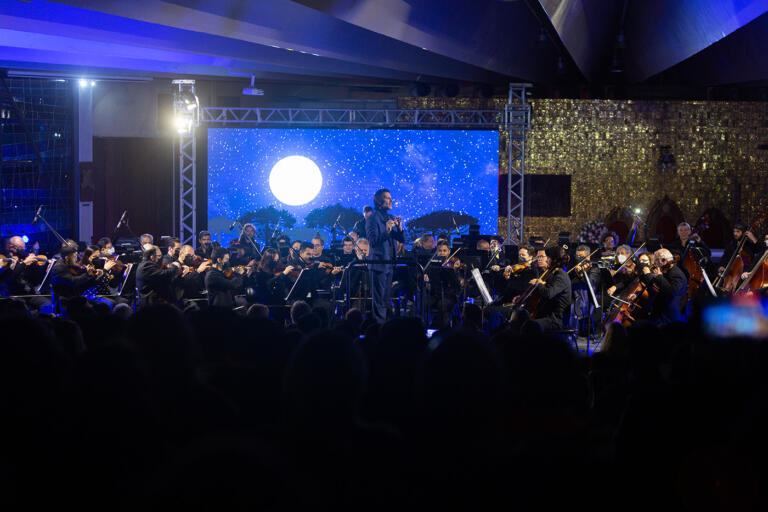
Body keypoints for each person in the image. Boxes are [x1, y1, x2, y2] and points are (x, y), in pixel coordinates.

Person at [366, 189, 405, 324]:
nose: (391, 200)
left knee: (386, 300)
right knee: (379, 301)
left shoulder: (390, 217)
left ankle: (386, 327)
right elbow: (373, 241)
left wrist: (399, 228)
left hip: (389, 264)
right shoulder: (372, 218)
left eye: (391, 197)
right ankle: (379, 329)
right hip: (378, 264)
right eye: (387, 198)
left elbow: (401, 239)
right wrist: (387, 231)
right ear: (379, 201)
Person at [521, 245, 572, 332]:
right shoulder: (553, 274)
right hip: (546, 314)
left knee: (529, 326)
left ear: (554, 260)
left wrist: (539, 283)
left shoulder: (561, 276)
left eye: (548, 257)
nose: (547, 260)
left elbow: (548, 294)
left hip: (556, 319)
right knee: (520, 319)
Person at [51, 240, 105, 314]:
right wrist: (87, 274)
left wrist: (96, 277)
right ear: (67, 258)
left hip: (76, 299)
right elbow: (74, 282)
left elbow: (82, 286)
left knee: (101, 306)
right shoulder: (59, 268)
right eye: (74, 256)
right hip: (65, 302)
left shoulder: (70, 265)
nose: (76, 259)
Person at [638, 248, 688, 325]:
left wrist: (657, 276)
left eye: (656, 261)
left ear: (664, 261)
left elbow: (671, 292)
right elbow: (655, 287)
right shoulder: (666, 271)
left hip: (668, 319)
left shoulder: (677, 274)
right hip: (659, 314)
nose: (654, 263)